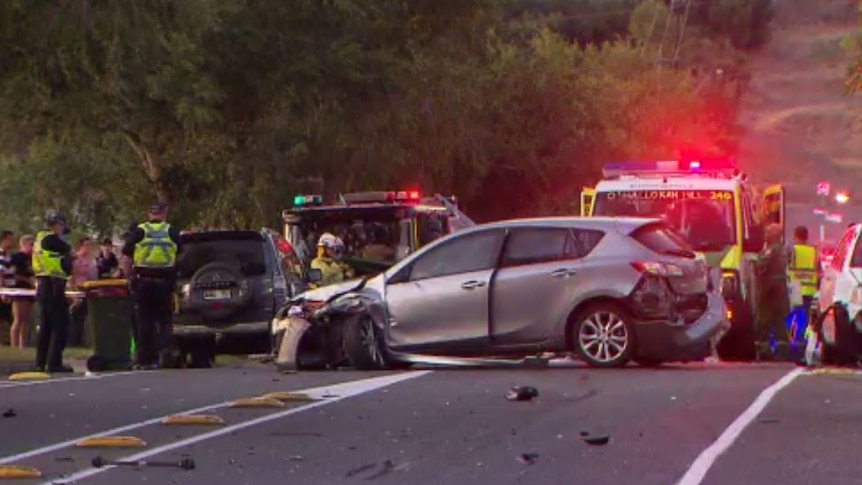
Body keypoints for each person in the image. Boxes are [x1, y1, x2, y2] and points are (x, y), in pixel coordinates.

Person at [122, 204, 181, 370]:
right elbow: (181, 255)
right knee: (164, 321)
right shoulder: (172, 231)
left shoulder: (140, 231)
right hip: (164, 282)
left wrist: (130, 277)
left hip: (143, 281)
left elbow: (126, 256)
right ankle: (166, 356)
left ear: (149, 214)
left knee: (144, 321)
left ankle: (144, 360)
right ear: (164, 214)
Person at [32, 211, 75, 373]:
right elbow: (69, 252)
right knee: (60, 326)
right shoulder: (51, 239)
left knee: (46, 326)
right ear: (57, 224)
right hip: (53, 284)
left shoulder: (41, 239)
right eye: (62, 225)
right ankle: (54, 362)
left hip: (44, 284)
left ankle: (40, 362)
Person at [753, 223, 791, 361]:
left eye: (767, 232)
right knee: (780, 323)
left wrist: (757, 264)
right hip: (780, 291)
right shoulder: (783, 249)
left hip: (769, 290)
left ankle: (764, 352)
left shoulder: (771, 250)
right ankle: (782, 352)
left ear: (773, 235)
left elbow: (762, 264)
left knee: (763, 322)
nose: (764, 235)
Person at [69, 237, 98, 347]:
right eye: (86, 245)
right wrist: (73, 293)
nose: (88, 247)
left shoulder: (91, 260)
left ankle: (81, 340)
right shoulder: (76, 259)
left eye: (89, 245)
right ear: (81, 246)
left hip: (89, 290)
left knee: (83, 317)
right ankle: (73, 341)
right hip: (78, 290)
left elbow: (94, 276)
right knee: (76, 316)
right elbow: (72, 276)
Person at [8, 235, 35, 349]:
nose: (33, 247)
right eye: (31, 244)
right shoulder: (16, 257)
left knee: (26, 320)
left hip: (30, 290)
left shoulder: (33, 258)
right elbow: (12, 273)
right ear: (23, 244)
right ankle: (14, 345)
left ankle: (22, 345)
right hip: (19, 289)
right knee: (18, 319)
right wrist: (27, 279)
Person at [0, 230, 15, 346]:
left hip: (11, 290)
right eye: (10, 239)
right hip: (4, 291)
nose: (12, 242)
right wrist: (2, 290)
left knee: (8, 317)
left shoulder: (10, 257)